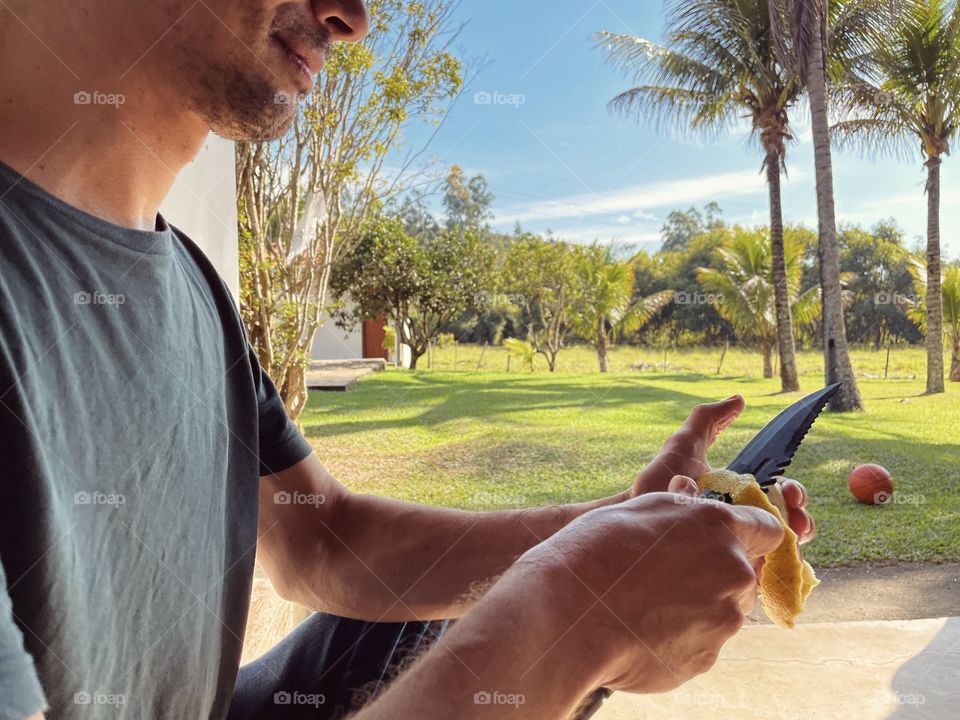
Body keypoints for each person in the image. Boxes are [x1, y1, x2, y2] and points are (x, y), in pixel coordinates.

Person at [0, 1, 815, 718]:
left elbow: (325, 545)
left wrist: (612, 536)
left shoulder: (191, 286)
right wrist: (569, 620)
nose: (354, 18)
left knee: (431, 619)